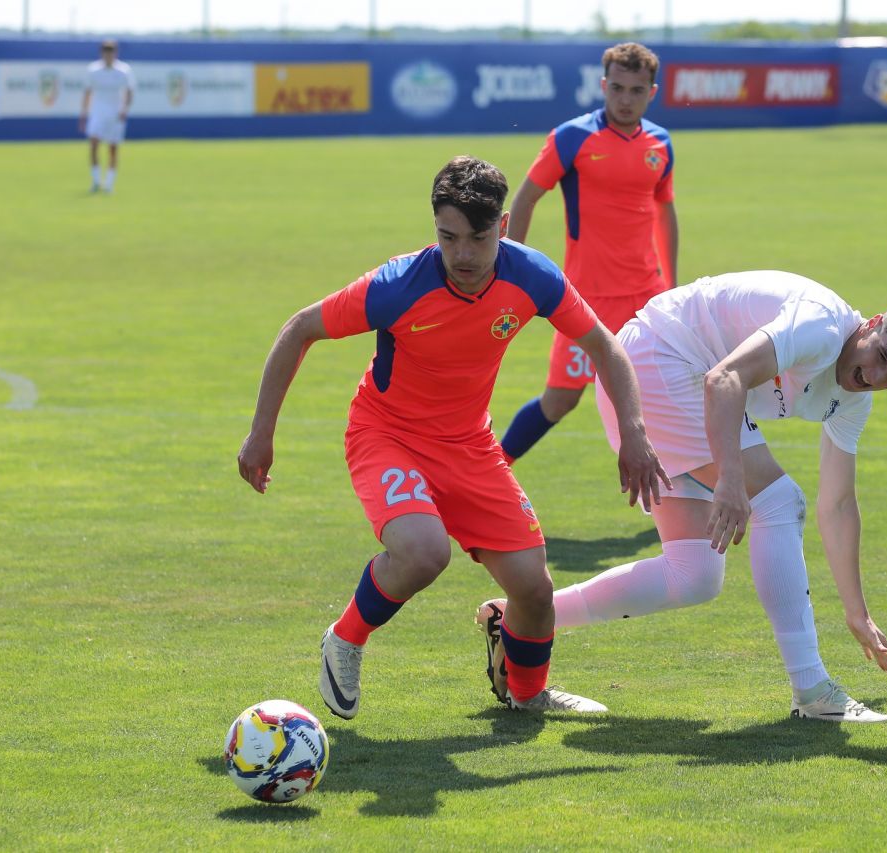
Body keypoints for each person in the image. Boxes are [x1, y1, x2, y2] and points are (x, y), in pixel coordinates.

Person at [237, 156, 669, 719]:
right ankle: (344, 638)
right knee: (423, 552)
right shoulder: (397, 286)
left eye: (478, 238)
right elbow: (300, 329)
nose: (462, 254)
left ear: (505, 227)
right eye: (448, 237)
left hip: (469, 446)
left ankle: (525, 694)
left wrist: (634, 430)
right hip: (386, 434)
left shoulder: (532, 277)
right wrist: (260, 433)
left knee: (534, 591)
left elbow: (606, 347)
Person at [478, 271, 887, 723]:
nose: (875, 376)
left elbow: (839, 505)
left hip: (675, 375)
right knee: (780, 502)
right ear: (872, 324)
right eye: (881, 355)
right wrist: (729, 480)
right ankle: (812, 691)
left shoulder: (853, 399)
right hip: (658, 362)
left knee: (694, 575)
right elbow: (723, 378)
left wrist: (858, 612)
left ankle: (520, 623)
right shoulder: (821, 326)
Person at [498, 42, 678, 464]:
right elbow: (524, 200)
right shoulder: (572, 138)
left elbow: (664, 211)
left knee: (663, 395)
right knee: (560, 400)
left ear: (652, 92)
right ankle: (491, 468)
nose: (625, 99)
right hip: (586, 301)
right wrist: (514, 269)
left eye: (636, 90)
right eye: (617, 88)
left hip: (645, 299)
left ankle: (682, 499)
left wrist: (671, 285)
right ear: (603, 85)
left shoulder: (660, 144)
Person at [78, 40, 134, 194]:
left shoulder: (123, 70)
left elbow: (129, 92)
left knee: (113, 149)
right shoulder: (93, 70)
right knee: (94, 145)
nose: (108, 55)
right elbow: (87, 92)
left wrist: (125, 109)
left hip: (115, 114)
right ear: (101, 53)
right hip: (97, 112)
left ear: (115, 53)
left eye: (111, 52)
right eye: (106, 52)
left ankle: (109, 184)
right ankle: (96, 181)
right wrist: (83, 114)